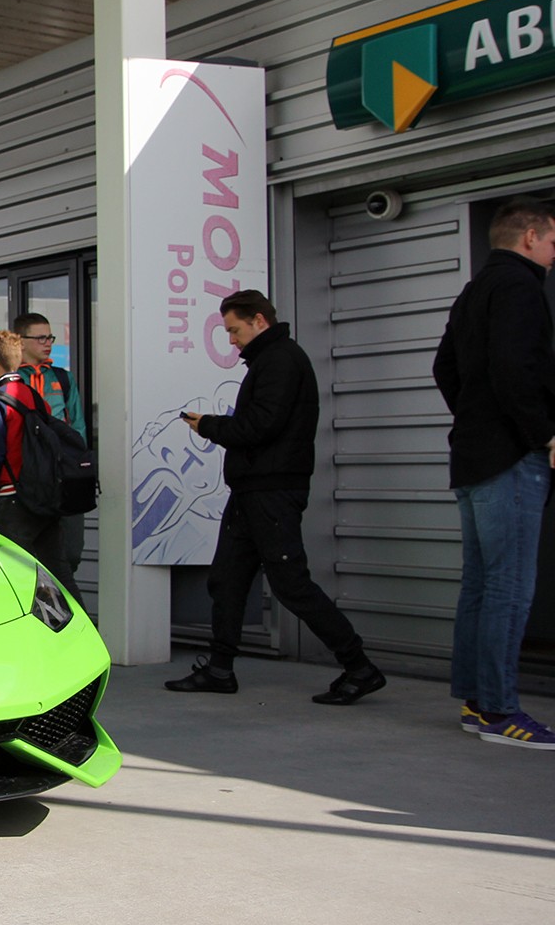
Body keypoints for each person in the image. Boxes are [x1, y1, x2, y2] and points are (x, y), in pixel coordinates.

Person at [165, 289, 384, 704]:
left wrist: (209, 426)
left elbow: (260, 427)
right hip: (252, 491)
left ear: (259, 321)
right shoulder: (269, 360)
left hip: (271, 492)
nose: (231, 340)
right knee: (227, 581)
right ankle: (219, 669)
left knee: (290, 584)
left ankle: (359, 666)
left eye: (234, 330)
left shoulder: (281, 360)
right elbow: (260, 424)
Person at [433, 197, 555, 749]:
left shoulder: (474, 289)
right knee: (509, 587)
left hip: (474, 455)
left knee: (481, 585)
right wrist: (542, 433)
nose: (554, 251)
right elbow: (514, 369)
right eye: (553, 240)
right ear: (529, 237)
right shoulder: (521, 288)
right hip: (508, 458)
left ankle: (478, 703)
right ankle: (501, 712)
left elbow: (444, 367)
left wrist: (475, 416)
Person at [0, 330, 79, 600]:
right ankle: (81, 629)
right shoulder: (32, 395)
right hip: (45, 496)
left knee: (8, 572)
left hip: (15, 498)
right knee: (58, 570)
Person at [14, 312, 87, 571]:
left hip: (63, 477)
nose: (48, 343)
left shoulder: (63, 378)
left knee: (71, 553)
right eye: (41, 337)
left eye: (50, 337)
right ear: (20, 342)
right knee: (26, 553)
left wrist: (78, 467)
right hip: (28, 479)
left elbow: (78, 426)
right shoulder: (11, 379)